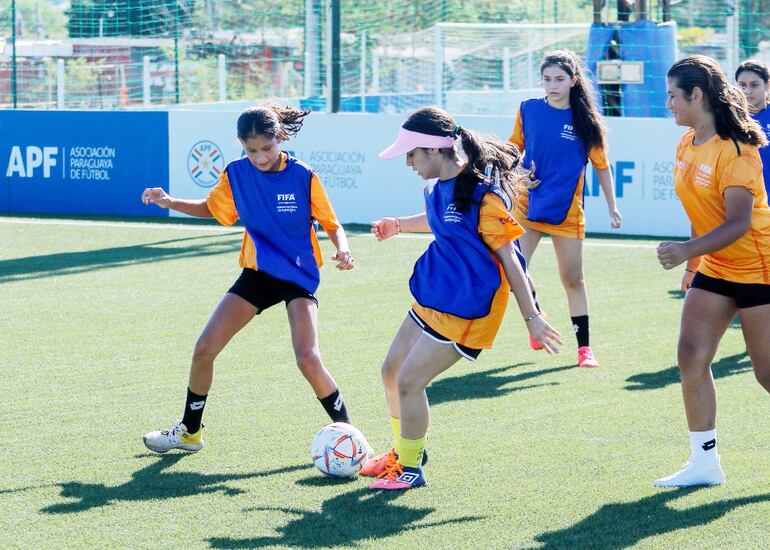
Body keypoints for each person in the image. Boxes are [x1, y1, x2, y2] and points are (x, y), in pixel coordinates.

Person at [361, 106, 562, 491]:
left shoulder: (485, 200)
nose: (407, 161)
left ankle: (410, 470)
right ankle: (406, 452)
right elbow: (440, 219)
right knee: (391, 370)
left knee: (409, 381)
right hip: (437, 293)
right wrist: (399, 225)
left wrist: (532, 317)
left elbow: (512, 262)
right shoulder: (436, 189)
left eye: (411, 153)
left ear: (435, 151)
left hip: (468, 309)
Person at [140, 104, 356, 453]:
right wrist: (169, 201)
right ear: (241, 145)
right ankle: (189, 432)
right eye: (251, 150)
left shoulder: (303, 175)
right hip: (257, 273)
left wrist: (343, 250)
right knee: (204, 348)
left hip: (299, 277)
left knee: (307, 358)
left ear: (280, 138)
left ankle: (348, 433)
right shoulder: (236, 174)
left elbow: (331, 224)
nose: (260, 157)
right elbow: (212, 208)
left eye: (267, 148)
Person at [654, 55, 770, 487]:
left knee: (768, 375)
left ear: (696, 95)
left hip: (760, 267)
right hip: (718, 263)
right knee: (691, 356)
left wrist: (686, 251)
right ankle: (705, 465)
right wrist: (697, 260)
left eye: (672, 96)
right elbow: (702, 213)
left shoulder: (738, 150)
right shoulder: (686, 143)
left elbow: (738, 223)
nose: (668, 104)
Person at [508, 49, 622, 368]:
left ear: (573, 81)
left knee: (573, 279)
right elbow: (511, 152)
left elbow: (601, 166)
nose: (552, 85)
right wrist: (518, 174)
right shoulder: (528, 110)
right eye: (547, 79)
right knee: (515, 269)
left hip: (567, 212)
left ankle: (584, 348)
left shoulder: (587, 122)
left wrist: (613, 206)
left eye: (559, 79)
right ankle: (537, 317)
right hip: (527, 205)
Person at [736, 59, 770, 196]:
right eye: (742, 85)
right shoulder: (729, 119)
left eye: (754, 85)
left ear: (767, 85)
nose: (748, 91)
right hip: (740, 204)